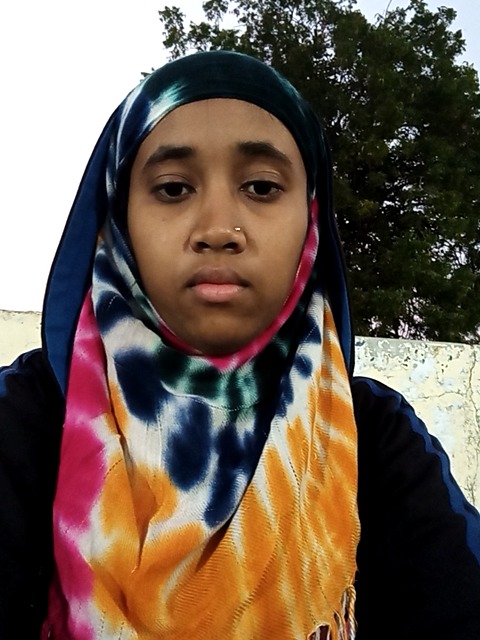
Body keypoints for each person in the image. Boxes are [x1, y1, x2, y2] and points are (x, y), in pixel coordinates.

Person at [0, 50, 479, 640]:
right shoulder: (25, 418)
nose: (218, 230)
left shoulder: (373, 436)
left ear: (310, 220)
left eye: (261, 186)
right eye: (173, 189)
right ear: (118, 220)